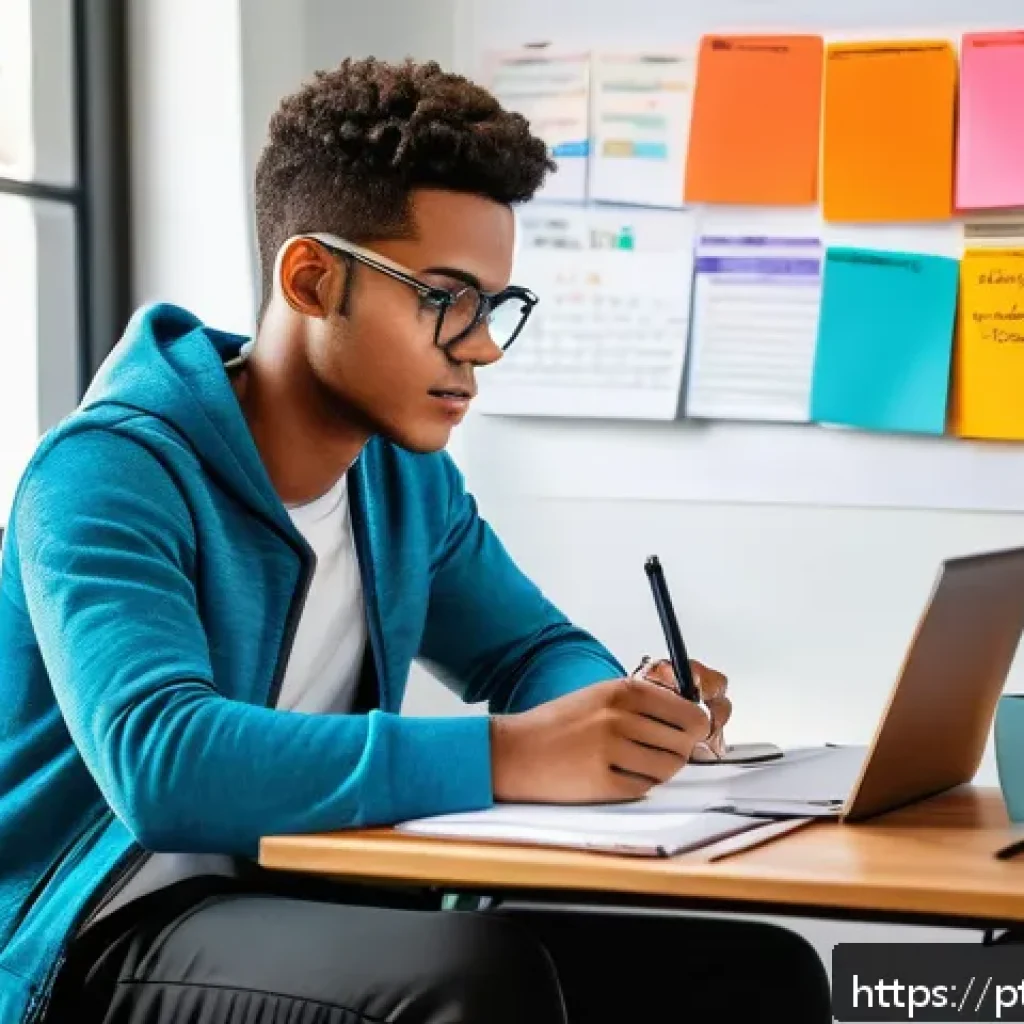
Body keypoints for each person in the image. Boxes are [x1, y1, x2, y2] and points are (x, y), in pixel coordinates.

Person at [0, 57, 831, 1023]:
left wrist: (619, 718)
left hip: (314, 897)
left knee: (754, 972)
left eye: (497, 306)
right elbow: (162, 761)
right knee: (474, 978)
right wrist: (511, 754)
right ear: (312, 281)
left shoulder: (404, 481)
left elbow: (532, 651)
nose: (480, 346)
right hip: (100, 935)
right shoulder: (108, 472)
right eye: (446, 297)